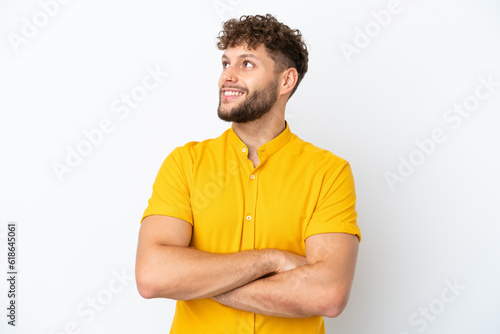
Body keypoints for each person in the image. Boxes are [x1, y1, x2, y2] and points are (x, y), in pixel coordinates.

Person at [135, 13, 361, 334]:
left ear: (286, 81)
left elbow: (328, 294)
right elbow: (152, 275)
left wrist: (196, 281)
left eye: (247, 64)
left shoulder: (329, 172)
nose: (227, 76)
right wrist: (272, 261)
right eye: (225, 63)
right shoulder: (185, 162)